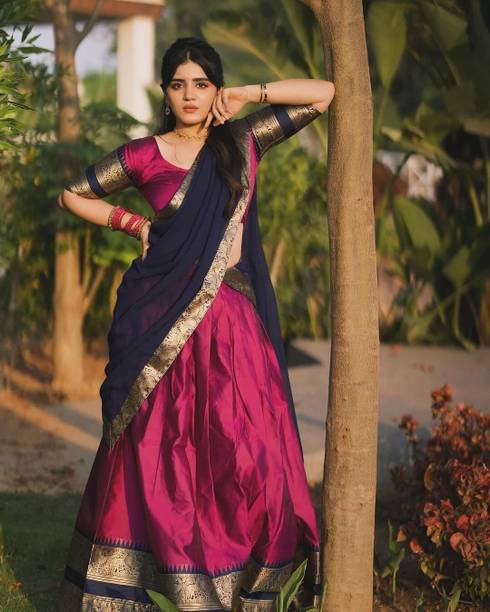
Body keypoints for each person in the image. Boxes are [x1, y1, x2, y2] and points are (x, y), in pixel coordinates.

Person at [57, 36, 335, 611]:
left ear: (215, 88)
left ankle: (243, 582)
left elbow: (323, 94)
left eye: (202, 84)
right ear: (164, 92)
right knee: (166, 454)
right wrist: (134, 224)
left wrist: (247, 93)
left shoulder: (243, 141)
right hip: (164, 327)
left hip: (233, 327)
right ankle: (161, 581)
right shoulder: (145, 155)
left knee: (248, 455)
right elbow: (73, 194)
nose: (189, 95)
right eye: (178, 84)